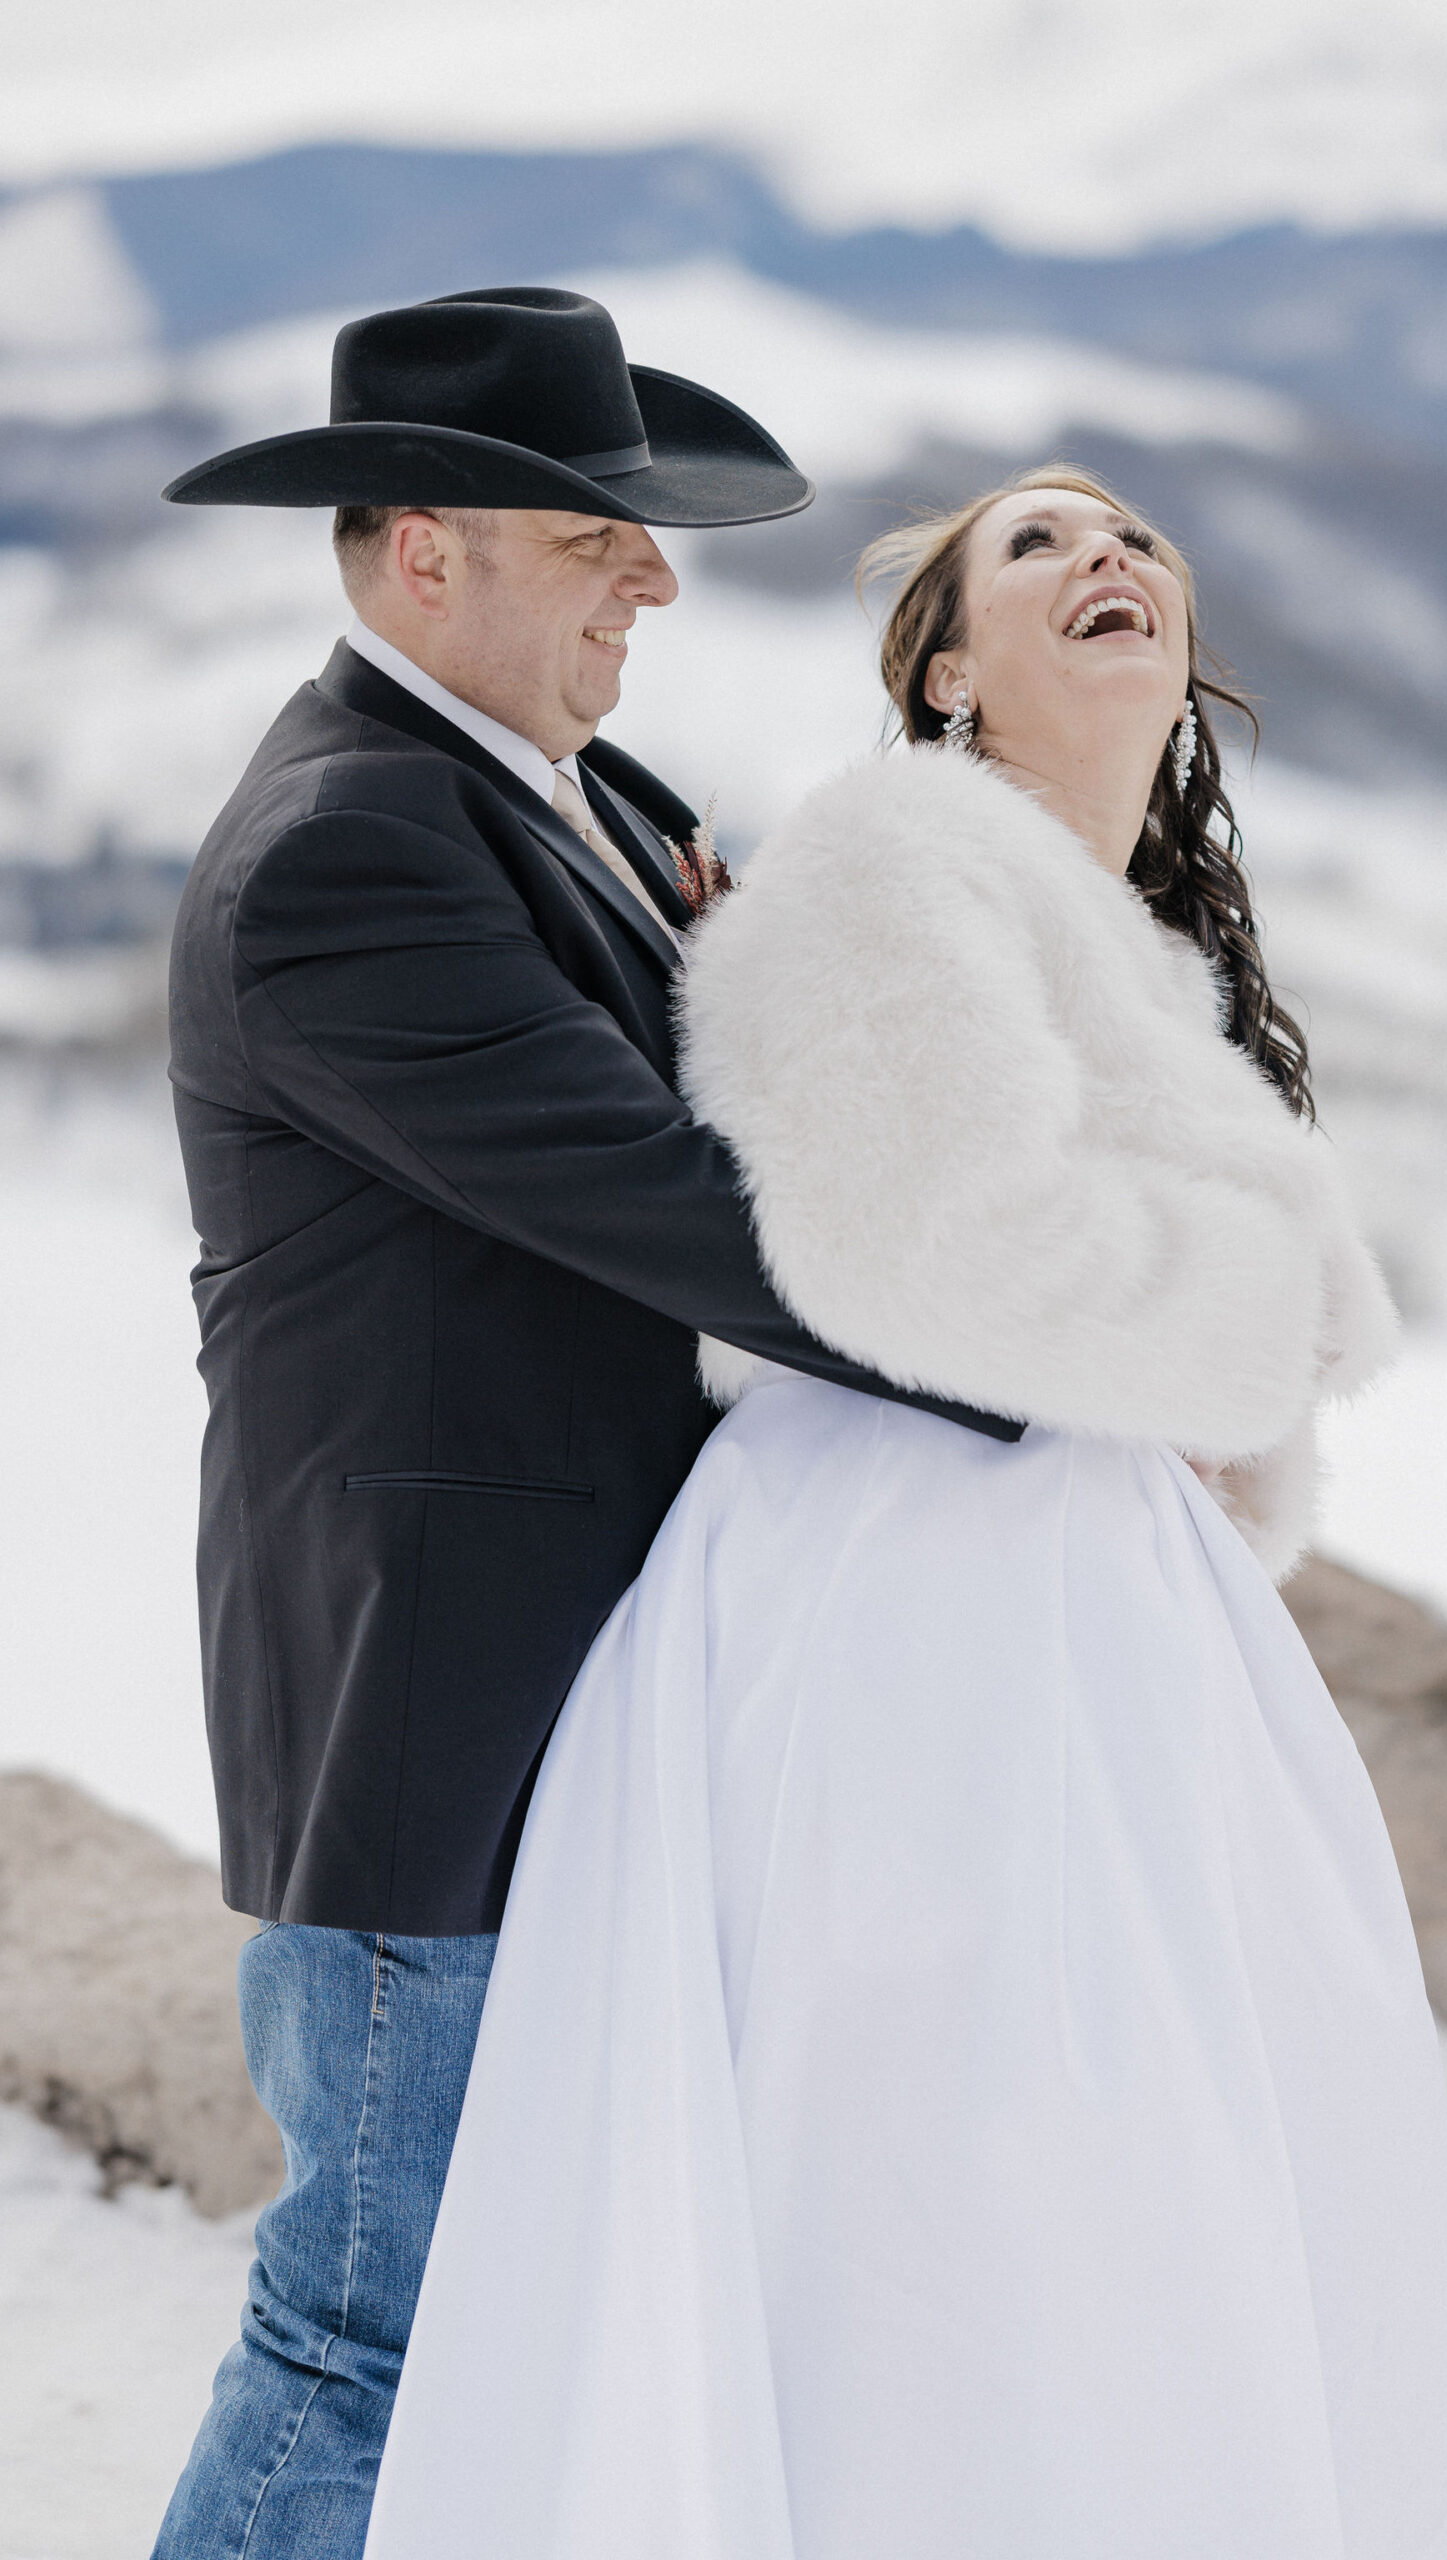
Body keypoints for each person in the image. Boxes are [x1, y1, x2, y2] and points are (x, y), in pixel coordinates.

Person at [363, 469, 1447, 2558]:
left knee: (1160, 2198)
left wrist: (1213, 1370)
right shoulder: (897, 853)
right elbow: (930, 1255)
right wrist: (1265, 1315)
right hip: (911, 1618)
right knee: (982, 2216)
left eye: (1136, 540)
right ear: (944, 672)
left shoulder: (1104, 924)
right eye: (1034, 543)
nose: (1108, 559)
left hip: (1069, 1600)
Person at [149, 285, 1014, 2560]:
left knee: (550, 2325)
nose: (650, 573)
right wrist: (1079, 1358)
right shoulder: (346, 855)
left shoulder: (589, 801)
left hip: (610, 1723)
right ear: (421, 548)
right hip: (443, 1743)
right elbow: (696, 1215)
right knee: (373, 2335)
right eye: (590, 531)